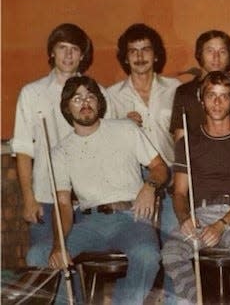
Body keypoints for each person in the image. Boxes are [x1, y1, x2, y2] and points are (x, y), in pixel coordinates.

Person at [27, 75, 169, 305]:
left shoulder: (125, 129)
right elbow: (63, 205)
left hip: (130, 217)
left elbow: (160, 167)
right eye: (77, 98)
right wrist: (57, 246)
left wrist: (149, 186)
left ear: (99, 102)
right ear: (66, 107)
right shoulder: (61, 151)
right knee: (39, 255)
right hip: (89, 222)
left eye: (90, 96)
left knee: (147, 255)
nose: (85, 102)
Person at [162, 71, 230, 304]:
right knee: (171, 254)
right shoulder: (187, 142)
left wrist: (222, 224)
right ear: (201, 99)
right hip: (199, 215)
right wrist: (183, 217)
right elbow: (179, 193)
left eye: (224, 96)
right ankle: (198, 301)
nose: (217, 103)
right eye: (211, 95)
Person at [10, 23, 111, 253]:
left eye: (74, 49)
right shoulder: (31, 93)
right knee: (46, 259)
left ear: (82, 55)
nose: (68, 55)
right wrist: (28, 198)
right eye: (62, 47)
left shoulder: (98, 93)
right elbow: (24, 150)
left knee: (81, 265)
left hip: (88, 201)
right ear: (51, 52)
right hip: (46, 197)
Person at [107, 23, 181, 303]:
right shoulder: (111, 95)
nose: (139, 57)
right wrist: (122, 127)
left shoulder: (175, 89)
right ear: (125, 57)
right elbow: (106, 145)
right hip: (134, 180)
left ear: (156, 55)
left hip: (172, 176)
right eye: (133, 51)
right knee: (142, 250)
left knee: (176, 245)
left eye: (145, 50)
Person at [170, 30, 230, 142]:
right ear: (199, 54)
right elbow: (180, 139)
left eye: (222, 51)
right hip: (198, 157)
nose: (216, 57)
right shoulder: (185, 92)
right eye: (210, 51)